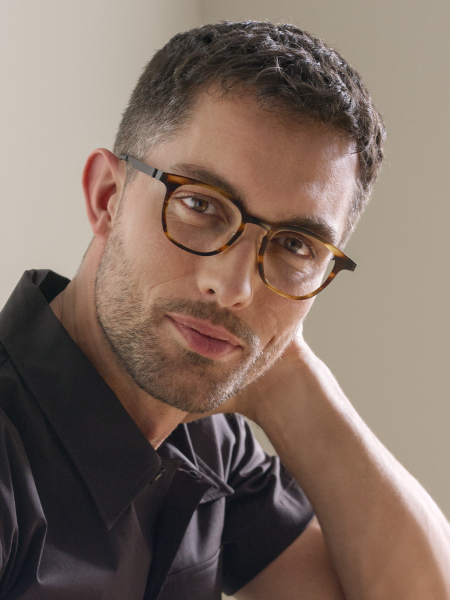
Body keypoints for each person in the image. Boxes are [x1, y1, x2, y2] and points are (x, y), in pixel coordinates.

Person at [0, 20, 449, 600]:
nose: (234, 286)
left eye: (295, 246)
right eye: (200, 204)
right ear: (109, 198)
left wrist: (288, 380)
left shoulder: (212, 444)